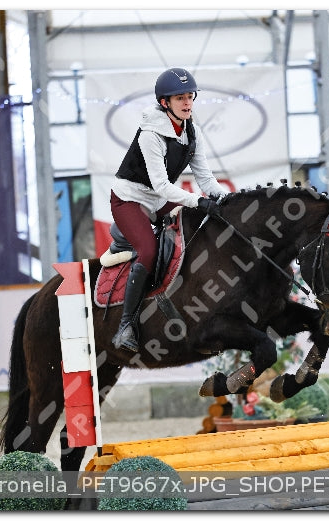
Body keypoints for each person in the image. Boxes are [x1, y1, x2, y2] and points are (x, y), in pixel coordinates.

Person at [110, 67, 228, 353]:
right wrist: (197, 200)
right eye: (180, 99)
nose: (187, 103)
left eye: (190, 97)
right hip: (130, 200)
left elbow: (206, 180)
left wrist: (228, 201)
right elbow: (162, 186)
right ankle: (125, 325)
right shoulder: (150, 135)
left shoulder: (192, 131)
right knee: (148, 251)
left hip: (159, 199)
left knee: (202, 221)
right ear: (165, 103)